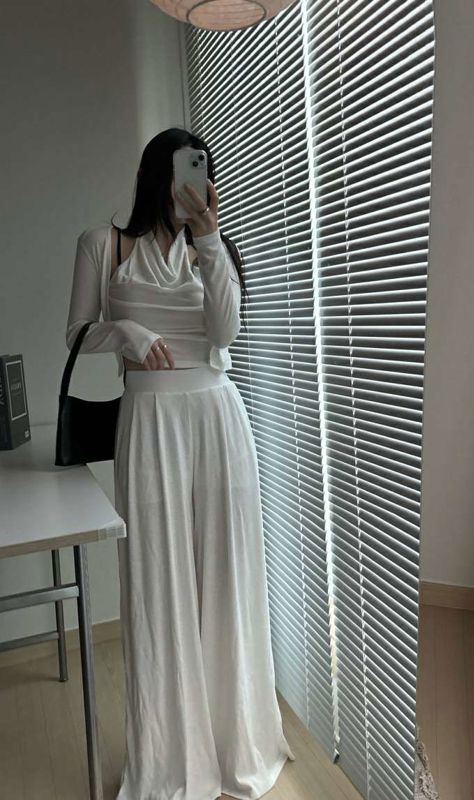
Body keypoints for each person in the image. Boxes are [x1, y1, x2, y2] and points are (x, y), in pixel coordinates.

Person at [65, 127, 296, 800]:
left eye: (198, 171)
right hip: (149, 420)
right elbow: (75, 334)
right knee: (158, 579)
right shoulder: (102, 244)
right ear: (151, 176)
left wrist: (211, 239)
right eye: (177, 172)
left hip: (218, 418)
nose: (187, 185)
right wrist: (126, 332)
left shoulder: (211, 246)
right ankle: (174, 760)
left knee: (227, 576)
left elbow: (226, 333)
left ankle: (235, 746)